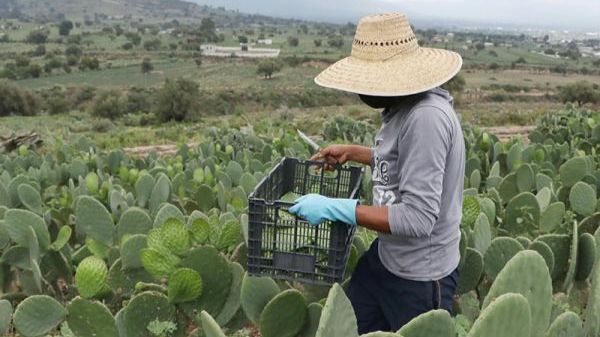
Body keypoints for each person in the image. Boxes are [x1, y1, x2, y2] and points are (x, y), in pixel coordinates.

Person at [288, 13, 465, 333]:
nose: (360, 91)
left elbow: (418, 219)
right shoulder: (403, 106)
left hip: (420, 280)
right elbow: (408, 164)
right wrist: (355, 153)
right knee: (343, 328)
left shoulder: (426, 118)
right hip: (386, 259)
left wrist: (335, 208)